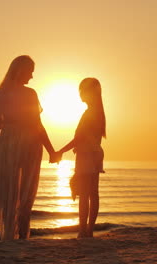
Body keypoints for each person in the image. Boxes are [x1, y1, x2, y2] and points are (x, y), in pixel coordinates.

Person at [0, 55, 59, 240]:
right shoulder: (28, 94)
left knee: (10, 191)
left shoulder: (0, 94)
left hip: (9, 143)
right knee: (26, 191)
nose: (32, 76)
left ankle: (11, 236)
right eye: (30, 72)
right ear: (21, 71)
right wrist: (51, 150)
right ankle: (21, 237)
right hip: (28, 141)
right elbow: (37, 125)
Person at [57, 77, 106, 238]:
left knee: (85, 194)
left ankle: (84, 231)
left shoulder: (91, 112)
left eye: (82, 90)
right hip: (95, 153)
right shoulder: (97, 111)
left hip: (87, 155)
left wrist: (61, 151)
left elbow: (79, 137)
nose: (80, 94)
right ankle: (88, 230)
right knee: (92, 193)